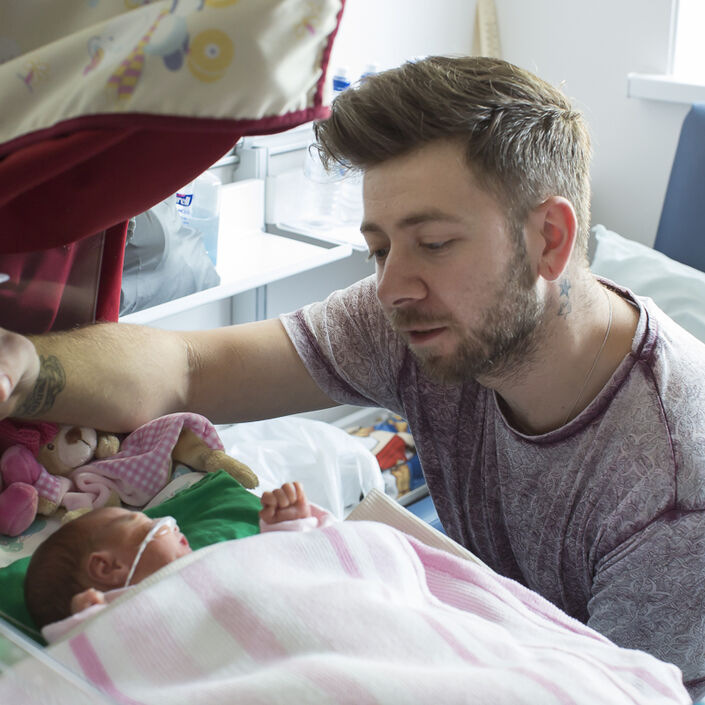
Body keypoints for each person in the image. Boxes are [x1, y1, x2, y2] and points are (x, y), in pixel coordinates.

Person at [1, 55, 704, 696]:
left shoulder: (670, 493)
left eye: (433, 242)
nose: (392, 285)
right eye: (377, 248)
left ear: (549, 239)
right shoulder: (419, 317)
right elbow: (188, 367)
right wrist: (28, 366)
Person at [25, 481, 323, 640]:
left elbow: (276, 573)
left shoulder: (212, 562)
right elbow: (91, 667)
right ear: (108, 568)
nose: (172, 523)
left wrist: (289, 527)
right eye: (145, 526)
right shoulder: (115, 618)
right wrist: (87, 628)